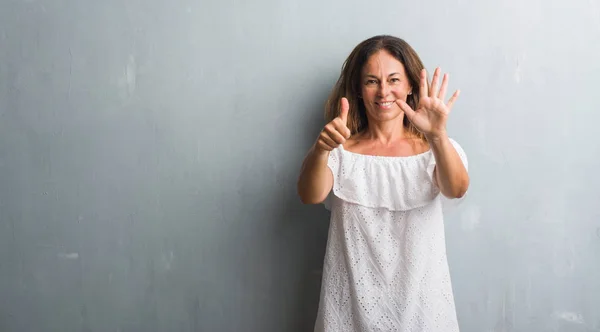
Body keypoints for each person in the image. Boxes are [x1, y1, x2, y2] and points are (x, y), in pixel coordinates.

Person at [297, 35, 470, 331]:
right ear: (358, 89)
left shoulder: (434, 150)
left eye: (393, 80)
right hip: (350, 312)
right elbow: (310, 195)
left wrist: (438, 136)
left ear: (410, 84)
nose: (383, 92)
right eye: (371, 81)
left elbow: (456, 189)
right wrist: (321, 149)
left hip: (424, 312)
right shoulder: (340, 150)